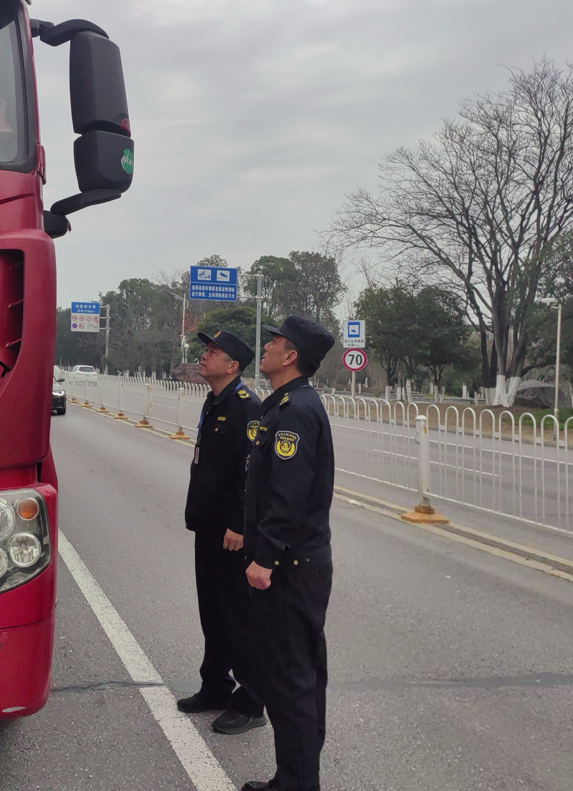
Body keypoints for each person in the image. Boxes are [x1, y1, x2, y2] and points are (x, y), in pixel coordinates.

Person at [240, 315, 336, 791]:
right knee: (297, 678)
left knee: (291, 681)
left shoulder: (295, 410)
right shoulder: (287, 404)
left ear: (291, 355)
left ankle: (297, 784)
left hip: (290, 567)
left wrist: (266, 557)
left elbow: (288, 495)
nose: (267, 346)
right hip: (298, 563)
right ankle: (294, 779)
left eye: (275, 341)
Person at [177, 329, 267, 735]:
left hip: (231, 532)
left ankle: (251, 702)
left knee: (237, 617)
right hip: (209, 526)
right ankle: (214, 686)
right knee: (212, 613)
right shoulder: (215, 401)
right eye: (206, 349)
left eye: (214, 352)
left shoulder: (247, 407)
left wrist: (239, 523)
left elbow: (252, 473)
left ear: (232, 366)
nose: (204, 355)